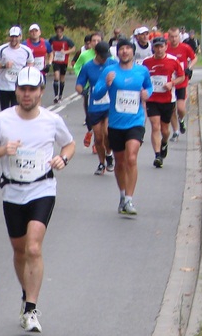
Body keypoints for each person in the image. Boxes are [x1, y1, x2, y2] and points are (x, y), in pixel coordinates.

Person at [0, 66, 75, 333]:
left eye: (33, 90)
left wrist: (62, 158)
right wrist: (2, 150)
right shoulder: (2, 120)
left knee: (33, 247)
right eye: (23, 89)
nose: (27, 94)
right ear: (16, 90)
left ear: (41, 92)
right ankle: (26, 294)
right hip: (12, 191)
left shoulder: (51, 120)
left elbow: (69, 144)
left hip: (42, 188)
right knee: (20, 251)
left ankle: (31, 308)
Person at [90, 39, 152, 216]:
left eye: (128, 49)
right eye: (121, 49)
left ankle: (129, 200)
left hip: (136, 121)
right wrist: (106, 84)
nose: (125, 52)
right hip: (116, 123)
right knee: (120, 162)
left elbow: (149, 86)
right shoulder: (110, 71)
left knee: (131, 158)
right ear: (118, 53)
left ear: (133, 52)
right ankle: (122, 195)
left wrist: (148, 93)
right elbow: (97, 93)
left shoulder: (142, 71)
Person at [143, 36, 185, 169]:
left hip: (167, 99)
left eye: (161, 46)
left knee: (165, 130)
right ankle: (157, 156)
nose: (159, 49)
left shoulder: (173, 61)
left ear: (166, 47)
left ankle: (165, 142)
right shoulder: (146, 62)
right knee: (155, 126)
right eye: (156, 47)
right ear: (153, 48)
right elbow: (142, 78)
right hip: (152, 99)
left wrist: (172, 83)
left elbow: (182, 76)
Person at [75, 41, 114, 175]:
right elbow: (79, 84)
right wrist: (82, 91)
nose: (105, 59)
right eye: (102, 56)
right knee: (98, 137)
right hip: (95, 105)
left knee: (107, 133)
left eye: (106, 55)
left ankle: (109, 154)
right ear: (96, 53)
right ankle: (101, 163)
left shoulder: (112, 64)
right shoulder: (88, 67)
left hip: (110, 104)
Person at [0, 26, 35, 111]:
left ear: (20, 37)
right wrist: (3, 66)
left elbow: (31, 62)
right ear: (9, 37)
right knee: (5, 112)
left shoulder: (26, 50)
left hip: (18, 86)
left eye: (16, 37)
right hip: (4, 86)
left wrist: (27, 73)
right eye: (12, 36)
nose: (14, 39)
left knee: (16, 111)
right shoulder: (2, 49)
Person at [165, 26, 196, 138]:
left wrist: (189, 67)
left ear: (180, 36)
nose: (174, 39)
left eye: (176, 36)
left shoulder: (185, 47)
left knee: (181, 108)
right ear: (168, 37)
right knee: (172, 108)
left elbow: (194, 58)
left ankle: (181, 120)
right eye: (172, 37)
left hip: (181, 81)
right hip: (169, 83)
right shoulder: (165, 48)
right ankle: (175, 131)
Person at [48, 24, 75, 103]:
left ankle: (60, 95)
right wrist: (51, 52)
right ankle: (56, 95)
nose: (59, 33)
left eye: (60, 32)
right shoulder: (52, 39)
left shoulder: (67, 40)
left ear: (62, 32)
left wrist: (66, 52)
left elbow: (73, 48)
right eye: (57, 31)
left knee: (62, 78)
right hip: (56, 60)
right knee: (56, 76)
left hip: (64, 61)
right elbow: (48, 47)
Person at [24, 23, 51, 89]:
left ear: (40, 33)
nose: (34, 33)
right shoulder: (25, 44)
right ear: (29, 33)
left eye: (36, 31)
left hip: (42, 71)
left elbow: (51, 53)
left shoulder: (45, 43)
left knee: (41, 90)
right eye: (32, 31)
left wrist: (49, 64)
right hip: (29, 72)